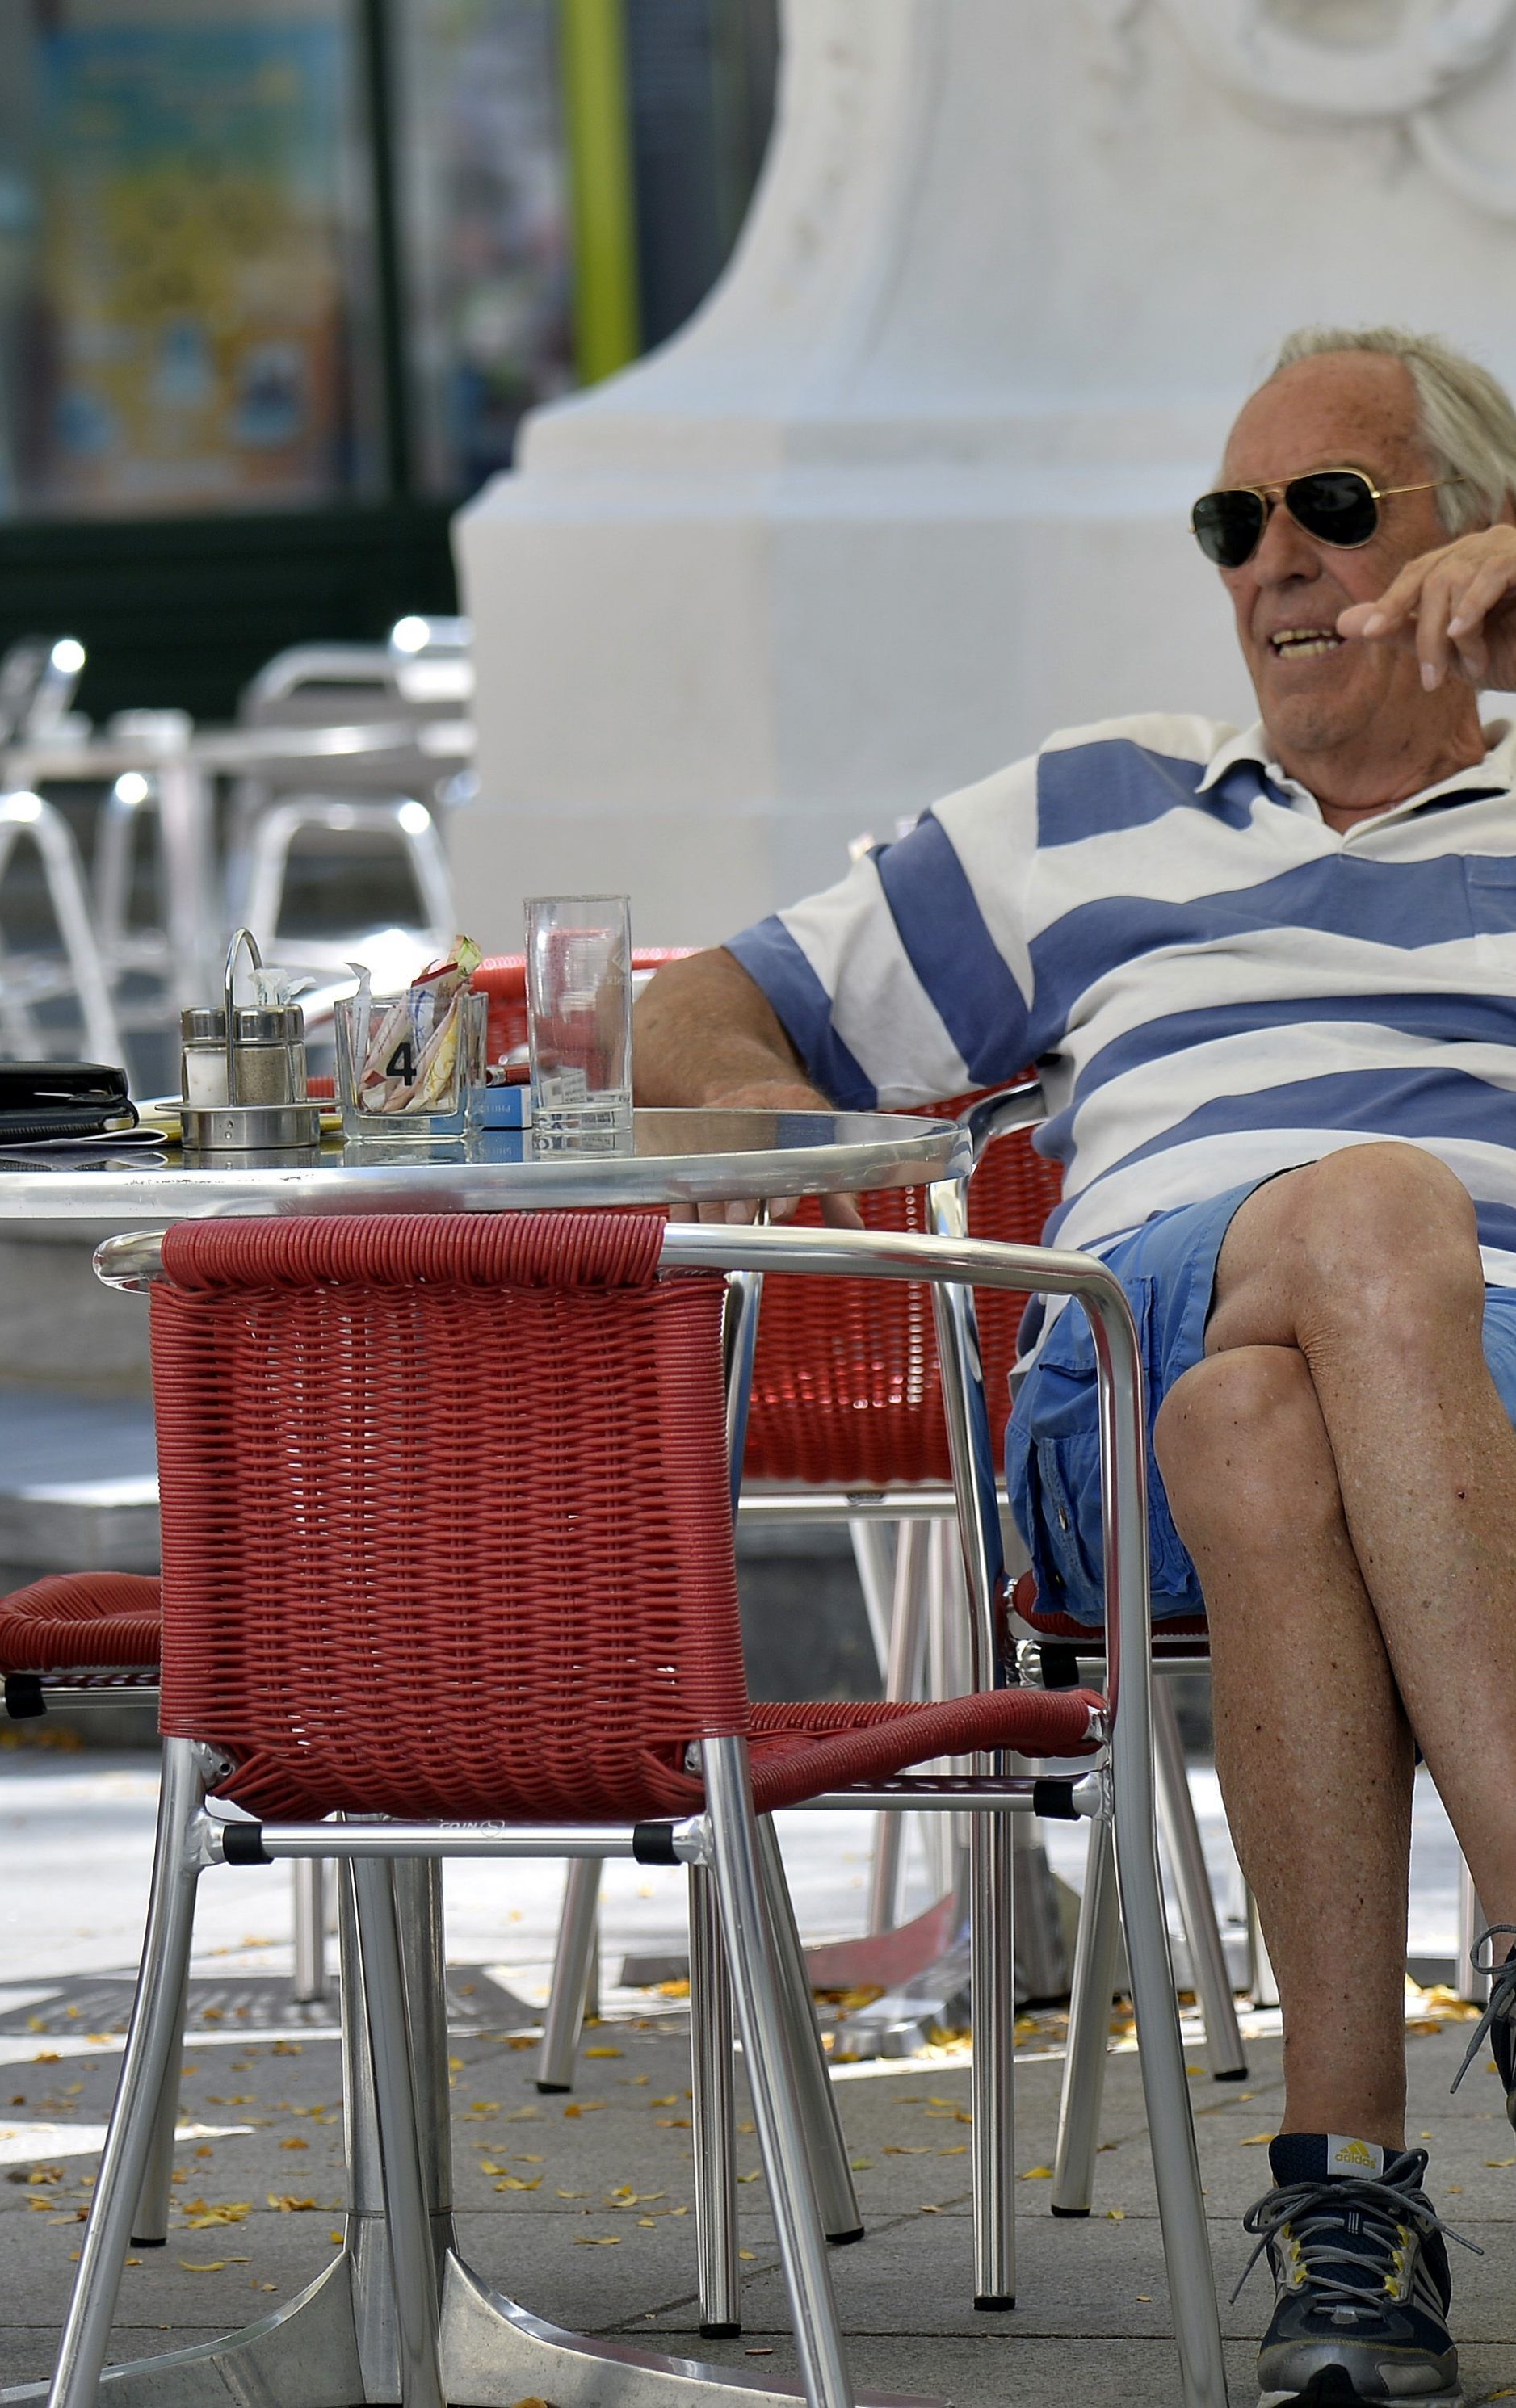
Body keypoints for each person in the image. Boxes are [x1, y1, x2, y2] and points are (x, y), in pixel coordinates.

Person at [636, 320, 1516, 2406]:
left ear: (1478, 539)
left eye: (1330, 510)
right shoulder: (1089, 807)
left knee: (1269, 1416)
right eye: (1234, 524)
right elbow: (696, 1022)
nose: (1272, 565)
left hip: (1481, 1396)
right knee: (1359, 1224)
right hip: (1106, 1385)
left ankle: (1345, 2198)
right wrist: (820, 1143)